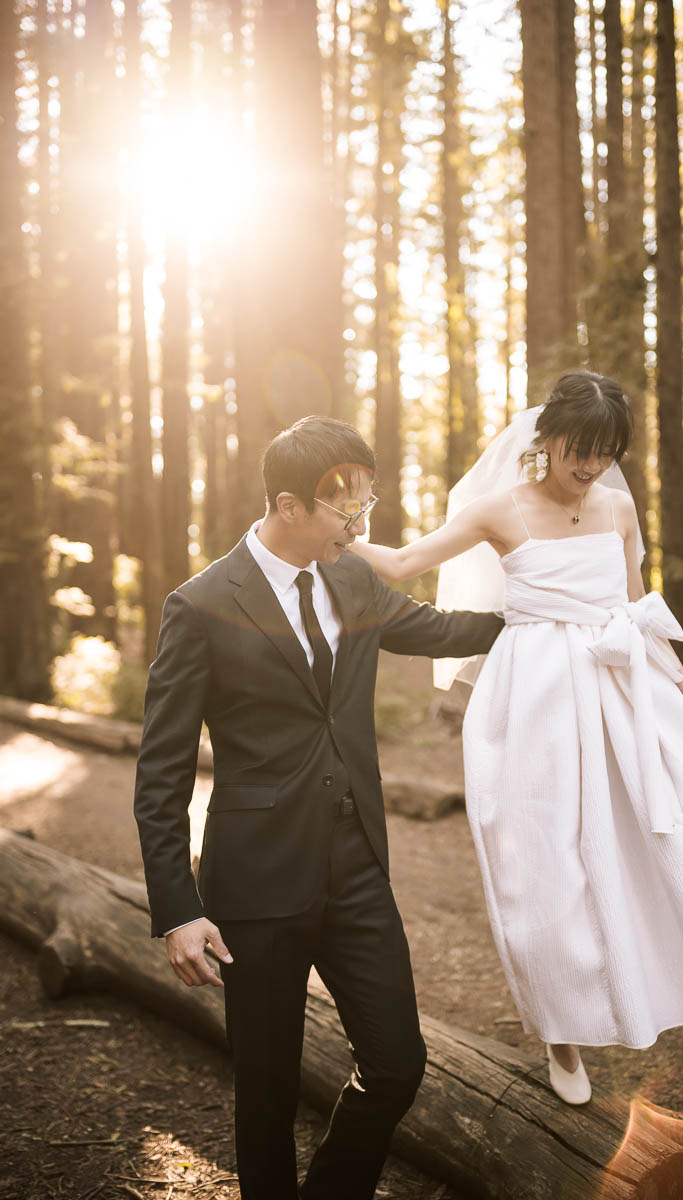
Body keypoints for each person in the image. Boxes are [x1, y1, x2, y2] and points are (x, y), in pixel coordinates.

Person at [350, 371, 683, 1113]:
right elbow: (404, 567)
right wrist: (341, 538)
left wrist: (679, 679)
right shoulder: (499, 509)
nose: (589, 464)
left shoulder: (618, 508)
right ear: (547, 436)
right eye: (577, 448)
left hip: (629, 694)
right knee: (544, 862)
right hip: (534, 702)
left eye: (604, 451)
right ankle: (561, 1032)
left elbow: (634, 609)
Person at [133, 415, 503, 1200]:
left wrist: (543, 623)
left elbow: (437, 628)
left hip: (358, 869)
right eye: (347, 511)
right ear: (289, 505)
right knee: (265, 1094)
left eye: (368, 505)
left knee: (398, 1063)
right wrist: (177, 907)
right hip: (255, 887)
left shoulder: (355, 579)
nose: (361, 526)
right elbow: (160, 771)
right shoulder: (198, 605)